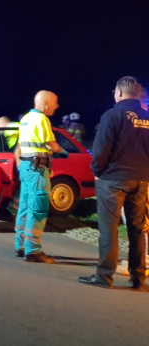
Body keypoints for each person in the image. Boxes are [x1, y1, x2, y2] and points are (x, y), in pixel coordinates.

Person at [79, 77, 149, 290]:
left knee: (108, 228)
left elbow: (101, 149)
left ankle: (104, 275)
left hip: (113, 179)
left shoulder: (112, 115)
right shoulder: (147, 117)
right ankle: (138, 278)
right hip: (141, 179)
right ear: (138, 95)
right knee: (137, 229)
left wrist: (97, 172)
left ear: (118, 93)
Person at [14, 91, 67, 264]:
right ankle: (34, 251)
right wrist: (62, 151)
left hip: (26, 166)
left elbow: (27, 144)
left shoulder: (27, 118)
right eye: (55, 103)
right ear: (45, 103)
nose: (57, 106)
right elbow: (51, 144)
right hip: (37, 169)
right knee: (38, 209)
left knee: (25, 206)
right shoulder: (42, 119)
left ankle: (20, 245)